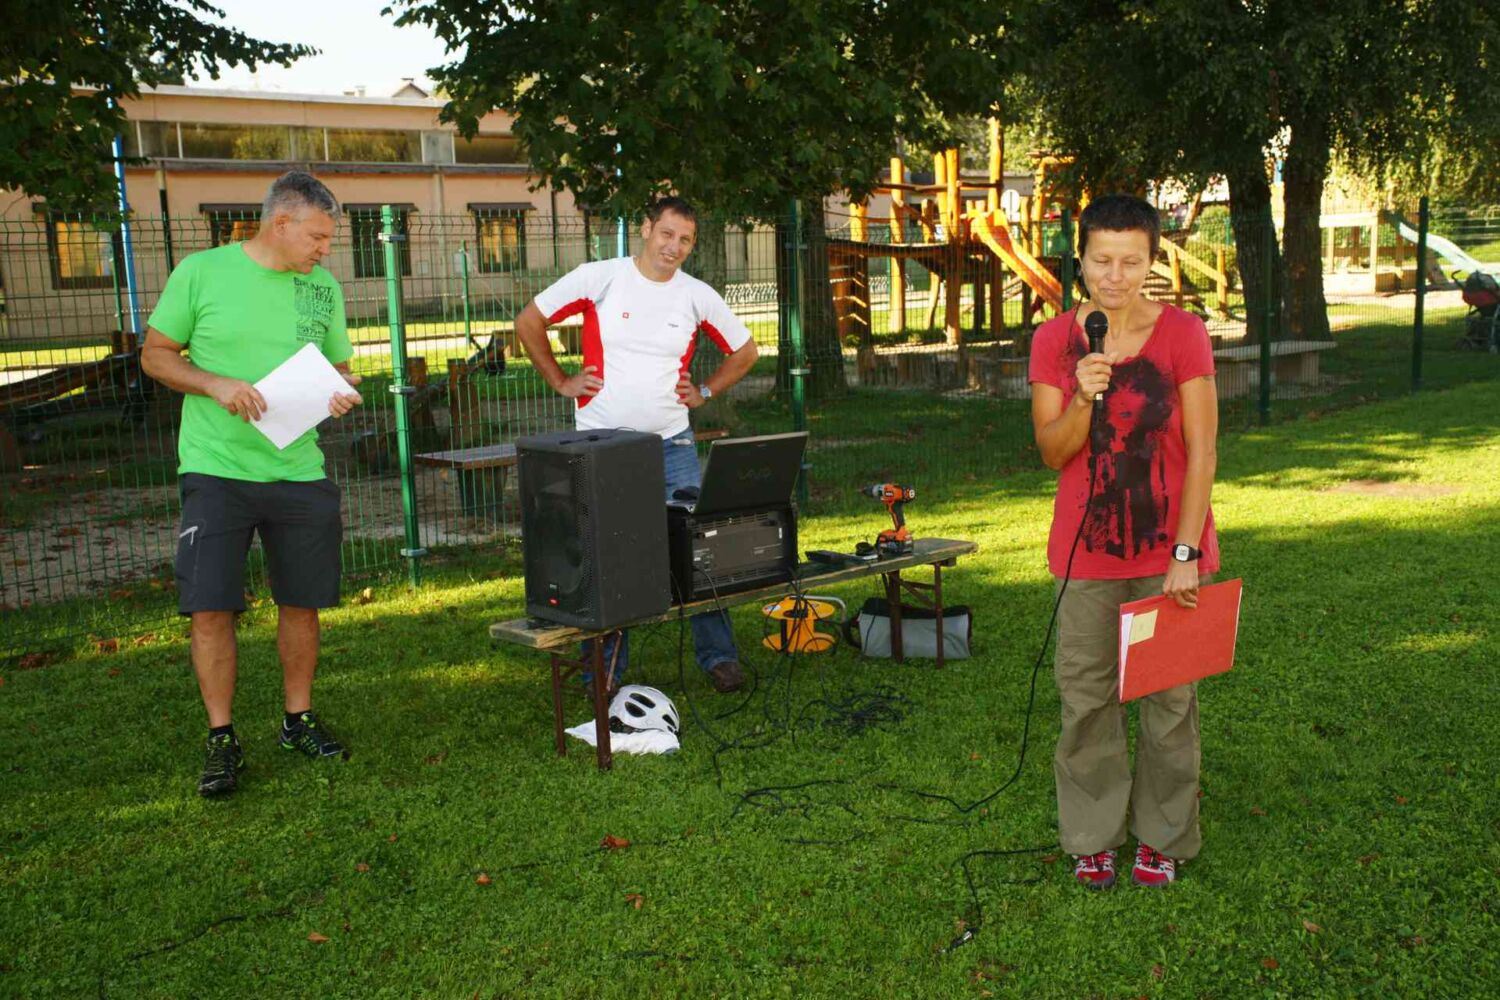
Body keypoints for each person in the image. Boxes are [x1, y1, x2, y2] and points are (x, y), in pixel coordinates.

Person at [141, 171, 364, 798]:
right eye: (318, 237)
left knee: (302, 600)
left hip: (299, 470)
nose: (326, 250)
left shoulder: (322, 288)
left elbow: (340, 368)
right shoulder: (201, 273)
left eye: (329, 239)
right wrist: (215, 384)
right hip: (216, 470)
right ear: (281, 223)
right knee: (210, 605)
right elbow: (156, 354)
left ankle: (298, 719)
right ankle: (222, 737)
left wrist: (341, 392)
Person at [1028, 194, 1220, 889]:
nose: (1115, 276)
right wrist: (1083, 396)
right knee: (1087, 702)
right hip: (1086, 559)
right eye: (1102, 260)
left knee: (1169, 704)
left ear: (1151, 261)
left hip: (1169, 555)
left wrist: (1185, 553)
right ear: (1079, 260)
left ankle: (1163, 836)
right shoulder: (1055, 341)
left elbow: (1202, 452)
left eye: (1131, 261)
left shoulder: (1183, 334)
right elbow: (1053, 453)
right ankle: (1093, 835)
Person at [514, 196, 759, 693]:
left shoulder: (696, 295)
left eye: (685, 239)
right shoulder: (599, 277)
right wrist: (561, 380)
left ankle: (719, 657)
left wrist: (706, 390)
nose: (674, 246)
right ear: (646, 229)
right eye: (667, 234)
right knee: (605, 554)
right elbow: (528, 322)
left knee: (698, 548)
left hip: (672, 444)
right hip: (601, 449)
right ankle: (603, 671)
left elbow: (746, 351)